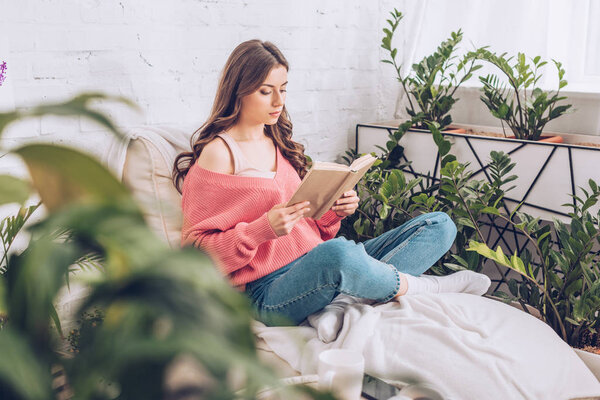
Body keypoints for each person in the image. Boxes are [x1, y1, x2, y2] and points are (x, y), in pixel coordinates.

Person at [173, 39, 491, 329]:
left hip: (317, 263)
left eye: (283, 88)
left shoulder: (276, 140)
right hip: (268, 291)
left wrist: (334, 211)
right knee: (339, 255)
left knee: (440, 225)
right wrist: (262, 228)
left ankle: (341, 304)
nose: (278, 100)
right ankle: (423, 287)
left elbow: (307, 228)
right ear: (238, 90)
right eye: (265, 91)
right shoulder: (219, 153)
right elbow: (195, 253)